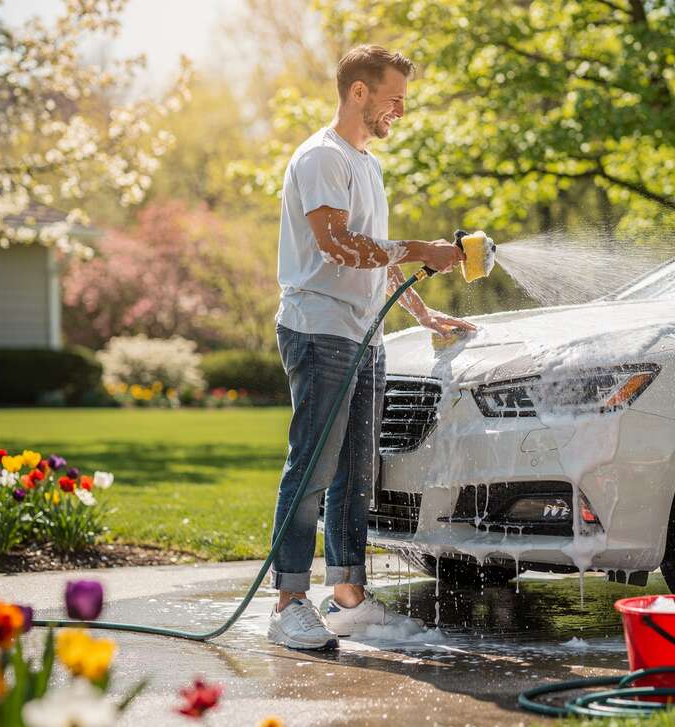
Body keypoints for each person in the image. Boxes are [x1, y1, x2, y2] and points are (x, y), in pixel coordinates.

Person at [267, 45, 476, 650]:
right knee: (313, 465)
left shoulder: (369, 166)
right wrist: (419, 249)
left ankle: (348, 595)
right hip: (319, 329)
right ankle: (288, 604)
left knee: (357, 471)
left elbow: (373, 260)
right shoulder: (320, 158)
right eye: (394, 99)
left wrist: (422, 310)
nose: (400, 112)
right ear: (359, 92)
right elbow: (336, 245)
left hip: (365, 334)